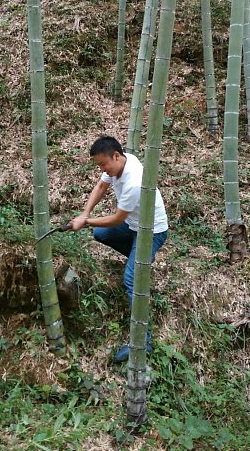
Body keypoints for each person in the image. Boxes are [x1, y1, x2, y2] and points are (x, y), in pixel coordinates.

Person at [70, 136, 168, 362]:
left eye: (104, 164)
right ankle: (140, 260)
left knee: (131, 280)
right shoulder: (120, 162)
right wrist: (85, 213)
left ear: (116, 156)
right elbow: (101, 185)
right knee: (100, 234)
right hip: (134, 226)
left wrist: (84, 222)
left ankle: (143, 342)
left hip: (152, 231)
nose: (103, 169)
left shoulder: (134, 180)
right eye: (99, 165)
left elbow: (116, 219)